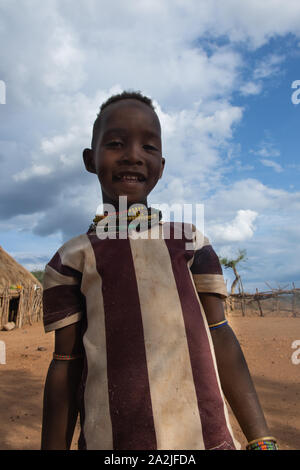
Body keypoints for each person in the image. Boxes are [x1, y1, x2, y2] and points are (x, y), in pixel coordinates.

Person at [41, 90, 278, 451]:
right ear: (90, 160)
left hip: (206, 441)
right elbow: (65, 363)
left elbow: (220, 334)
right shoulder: (72, 258)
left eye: (149, 147)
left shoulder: (189, 241)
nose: (133, 156)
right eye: (116, 143)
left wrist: (260, 436)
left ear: (162, 166)